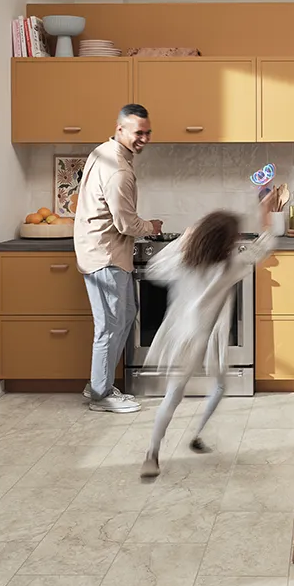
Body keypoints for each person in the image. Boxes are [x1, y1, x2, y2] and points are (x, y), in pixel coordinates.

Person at [140, 203, 275, 478]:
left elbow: (153, 267)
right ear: (226, 244)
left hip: (181, 336)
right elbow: (263, 247)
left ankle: (155, 454)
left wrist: (183, 239)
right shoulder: (230, 267)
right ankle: (184, 440)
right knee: (217, 386)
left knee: (174, 396)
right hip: (203, 338)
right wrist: (266, 214)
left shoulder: (183, 261)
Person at [74, 104, 162, 413]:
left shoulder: (106, 151)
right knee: (110, 325)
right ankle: (101, 396)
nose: (145, 138)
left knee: (124, 315)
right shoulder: (119, 171)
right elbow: (126, 224)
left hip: (102, 249)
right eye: (139, 132)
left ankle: (99, 383)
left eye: (148, 132)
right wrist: (150, 227)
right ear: (120, 129)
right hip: (105, 254)